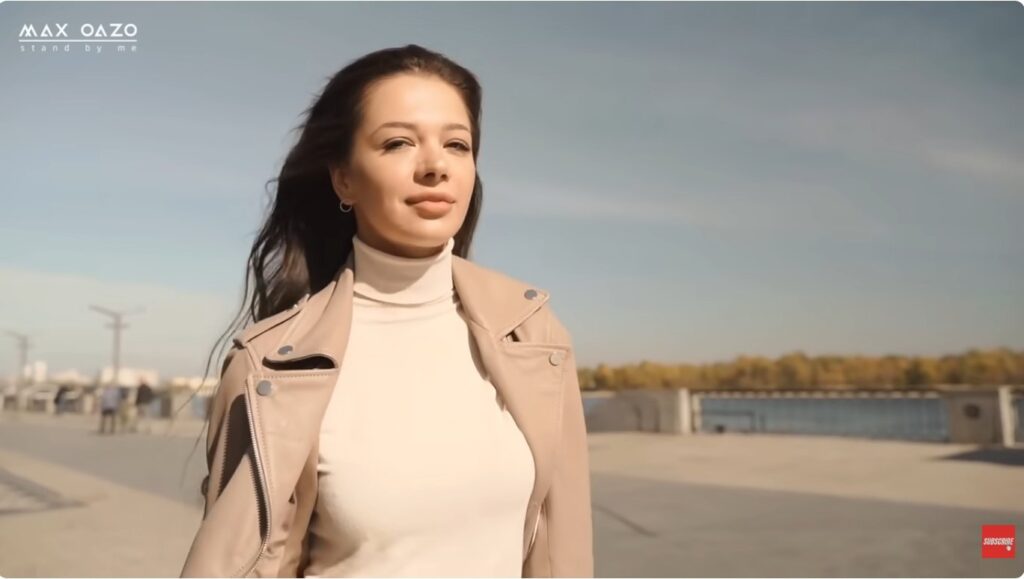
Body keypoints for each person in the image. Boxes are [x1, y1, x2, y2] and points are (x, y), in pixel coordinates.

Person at [179, 45, 592, 578]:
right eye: (398, 143)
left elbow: (563, 549)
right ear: (343, 179)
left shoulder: (533, 335)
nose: (436, 166)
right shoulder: (268, 368)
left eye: (457, 145)